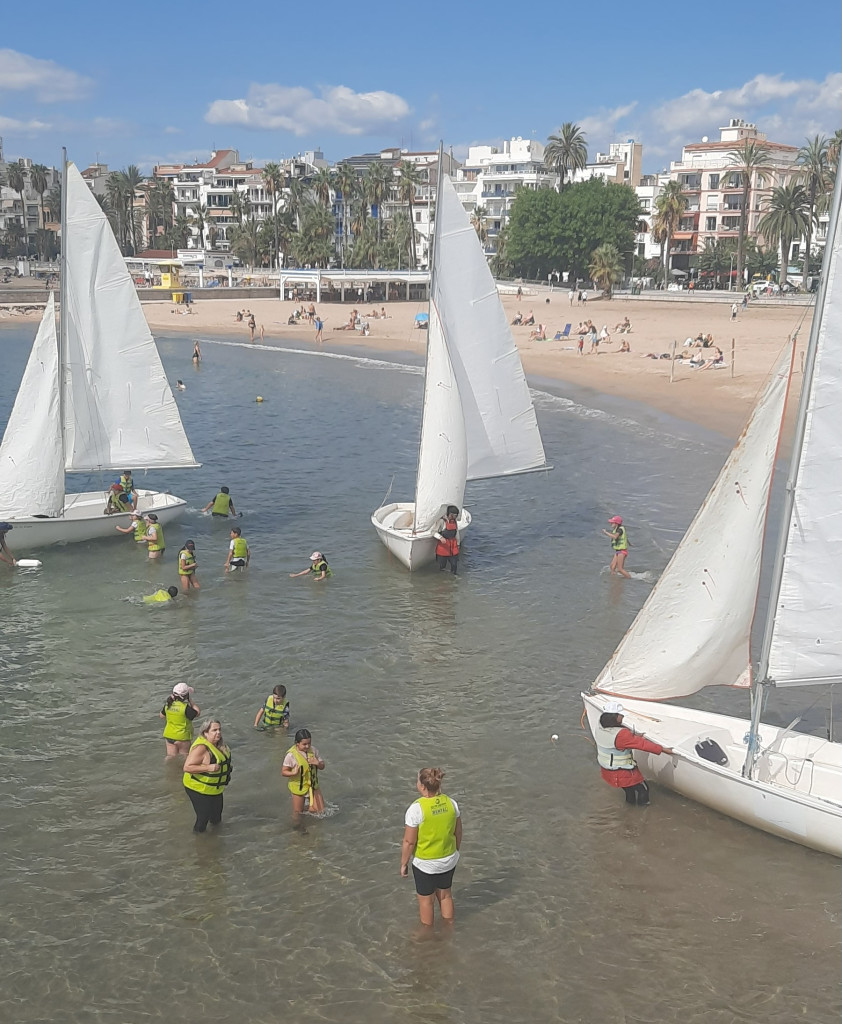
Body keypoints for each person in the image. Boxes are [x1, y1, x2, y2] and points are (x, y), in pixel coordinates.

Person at [400, 767, 462, 928]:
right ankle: (449, 928)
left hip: (426, 863)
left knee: (426, 901)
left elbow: (409, 842)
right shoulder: (451, 803)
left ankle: (427, 935)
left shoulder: (416, 809)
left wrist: (404, 863)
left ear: (422, 786)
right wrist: (456, 851)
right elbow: (458, 831)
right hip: (449, 858)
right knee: (445, 895)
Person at [595, 702, 674, 806]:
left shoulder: (600, 727)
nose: (623, 717)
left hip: (608, 771)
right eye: (621, 715)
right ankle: (643, 810)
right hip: (623, 772)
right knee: (643, 789)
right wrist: (664, 750)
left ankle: (630, 809)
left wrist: (633, 735)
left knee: (629, 791)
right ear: (614, 717)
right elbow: (643, 745)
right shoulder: (622, 735)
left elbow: (619, 733)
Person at [182, 719, 233, 833]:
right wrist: (208, 768)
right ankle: (198, 840)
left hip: (215, 789)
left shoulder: (220, 745)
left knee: (216, 819)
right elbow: (187, 767)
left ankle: (215, 840)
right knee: (203, 818)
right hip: (197, 788)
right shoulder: (201, 748)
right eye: (214, 730)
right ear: (205, 733)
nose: (218, 732)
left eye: (219, 729)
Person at [282, 728, 326, 819]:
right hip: (299, 786)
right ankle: (297, 826)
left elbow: (322, 766)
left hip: (313, 785)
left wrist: (317, 763)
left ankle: (310, 811)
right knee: (298, 813)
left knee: (320, 812)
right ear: (297, 743)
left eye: (309, 743)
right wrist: (293, 773)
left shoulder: (313, 750)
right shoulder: (291, 755)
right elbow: (284, 772)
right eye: (304, 744)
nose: (307, 746)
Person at [160, 682, 200, 757]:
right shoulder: (185, 708)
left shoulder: (168, 705)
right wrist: (191, 701)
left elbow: (161, 716)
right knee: (184, 756)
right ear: (186, 696)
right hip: (182, 737)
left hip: (169, 735)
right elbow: (197, 713)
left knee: (170, 757)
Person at [434, 506, 460, 574]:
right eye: (452, 515)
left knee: (454, 565)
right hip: (443, 547)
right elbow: (433, 532)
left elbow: (457, 532)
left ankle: (454, 577)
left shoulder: (454, 521)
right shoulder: (442, 521)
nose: (453, 517)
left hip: (453, 546)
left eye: (455, 516)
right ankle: (442, 578)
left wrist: (458, 544)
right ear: (448, 514)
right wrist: (440, 538)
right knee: (442, 566)